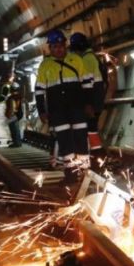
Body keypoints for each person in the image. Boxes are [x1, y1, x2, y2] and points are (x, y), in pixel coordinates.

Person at [35, 30, 92, 166]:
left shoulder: (76, 60)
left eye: (60, 45)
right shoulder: (45, 65)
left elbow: (87, 83)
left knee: (81, 138)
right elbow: (39, 90)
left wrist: (88, 104)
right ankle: (70, 173)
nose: (58, 49)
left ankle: (84, 170)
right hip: (57, 110)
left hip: (77, 107)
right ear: (50, 48)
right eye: (55, 46)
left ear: (65, 45)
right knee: (64, 141)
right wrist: (41, 111)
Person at [69, 32, 105, 150]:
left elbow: (87, 84)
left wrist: (88, 104)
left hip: (92, 101)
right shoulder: (90, 57)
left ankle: (94, 154)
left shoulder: (87, 59)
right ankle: (94, 154)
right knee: (91, 128)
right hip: (95, 100)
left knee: (90, 128)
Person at [5, 82, 24, 148]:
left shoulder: (11, 97)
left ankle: (16, 143)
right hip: (19, 114)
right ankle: (18, 142)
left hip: (14, 115)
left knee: (13, 128)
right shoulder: (20, 96)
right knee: (16, 128)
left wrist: (9, 115)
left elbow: (12, 107)